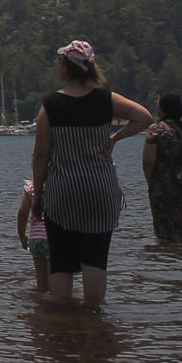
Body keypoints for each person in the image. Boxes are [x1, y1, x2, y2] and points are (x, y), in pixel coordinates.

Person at [29, 39, 154, 306]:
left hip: (63, 191)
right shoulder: (106, 100)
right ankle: (94, 320)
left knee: (61, 261)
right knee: (95, 258)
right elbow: (144, 117)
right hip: (100, 189)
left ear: (65, 68)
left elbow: (40, 155)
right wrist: (115, 138)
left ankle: (62, 324)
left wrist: (37, 197)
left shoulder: (50, 105)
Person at [140, 93, 182, 243]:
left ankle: (167, 260)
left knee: (165, 234)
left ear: (162, 109)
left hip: (164, 188)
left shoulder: (156, 130)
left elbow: (148, 162)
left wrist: (151, 184)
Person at [15, 178, 52, 295]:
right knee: (56, 283)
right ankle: (53, 308)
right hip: (53, 238)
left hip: (35, 238)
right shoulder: (60, 186)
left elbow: (22, 212)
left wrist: (22, 236)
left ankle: (39, 305)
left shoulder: (32, 187)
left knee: (41, 283)